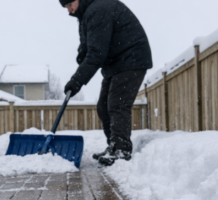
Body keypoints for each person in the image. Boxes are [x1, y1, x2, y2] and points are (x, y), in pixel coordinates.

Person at [60, 0, 153, 166]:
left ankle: (121, 150)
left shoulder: (98, 9)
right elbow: (88, 44)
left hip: (131, 59)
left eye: (69, 5)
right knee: (103, 107)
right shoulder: (86, 14)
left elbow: (97, 52)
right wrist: (82, 56)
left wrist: (77, 80)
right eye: (66, 7)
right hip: (116, 64)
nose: (69, 10)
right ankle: (113, 146)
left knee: (117, 104)